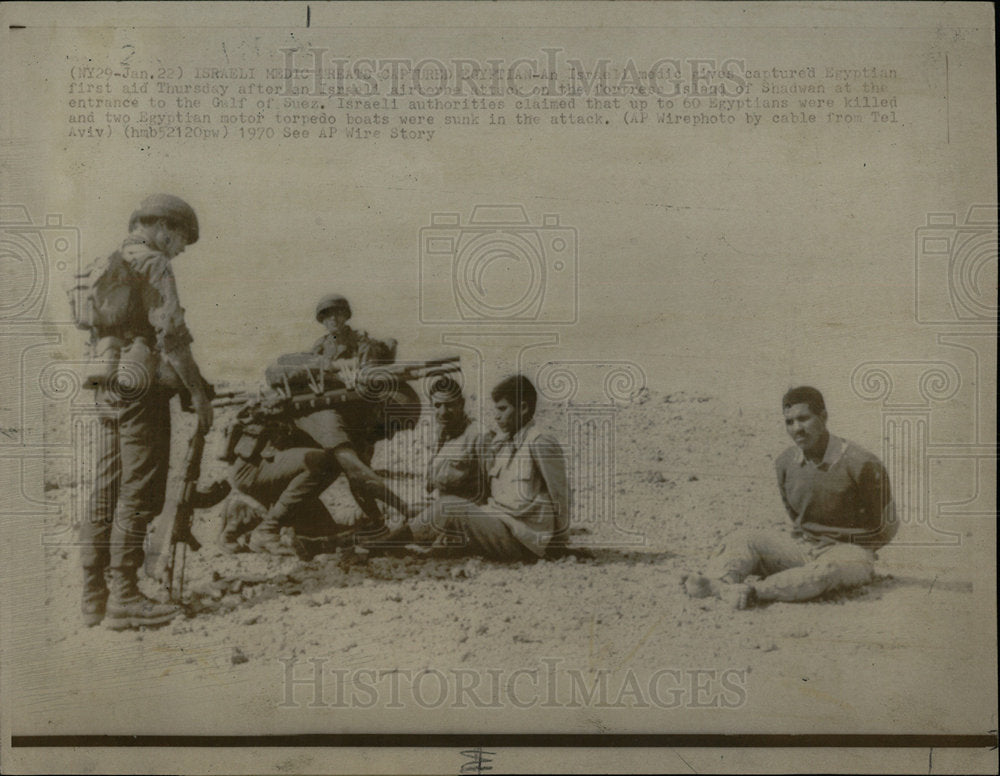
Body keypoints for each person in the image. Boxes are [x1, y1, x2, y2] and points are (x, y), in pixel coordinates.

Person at [79, 194, 214, 629]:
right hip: (142, 383)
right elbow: (171, 335)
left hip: (106, 378)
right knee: (139, 489)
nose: (181, 249)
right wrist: (198, 393)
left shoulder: (111, 260)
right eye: (181, 240)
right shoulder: (154, 263)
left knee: (105, 487)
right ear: (163, 229)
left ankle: (93, 596)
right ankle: (126, 598)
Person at [683, 386, 898, 609]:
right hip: (804, 548)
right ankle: (722, 583)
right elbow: (796, 516)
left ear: (823, 417)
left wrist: (861, 554)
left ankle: (753, 592)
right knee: (744, 538)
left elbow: (887, 524)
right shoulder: (785, 463)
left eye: (804, 419)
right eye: (789, 422)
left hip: (848, 553)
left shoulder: (861, 463)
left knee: (825, 573)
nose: (797, 429)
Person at [233, 296, 416, 554]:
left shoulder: (363, 344)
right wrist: (404, 507)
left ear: (346, 315)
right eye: (327, 315)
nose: (333, 320)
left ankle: (376, 522)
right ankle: (264, 526)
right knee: (337, 465)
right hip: (301, 445)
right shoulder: (319, 355)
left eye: (338, 314)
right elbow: (310, 376)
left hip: (351, 422)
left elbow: (369, 379)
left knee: (343, 497)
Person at [416, 375, 569, 561]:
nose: (496, 415)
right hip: (499, 525)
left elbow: (559, 494)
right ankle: (394, 543)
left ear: (523, 408)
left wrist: (559, 545)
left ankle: (385, 545)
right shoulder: (503, 444)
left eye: (502, 409)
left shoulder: (540, 442)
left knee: (449, 507)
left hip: (523, 540)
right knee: (431, 521)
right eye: (496, 409)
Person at [406, 375, 492, 542]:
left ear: (462, 404)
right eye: (438, 405)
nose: (443, 412)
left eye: (450, 405)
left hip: (468, 517)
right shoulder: (443, 434)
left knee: (404, 535)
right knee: (407, 512)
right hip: (443, 511)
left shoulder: (479, 436)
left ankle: (375, 547)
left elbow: (493, 488)